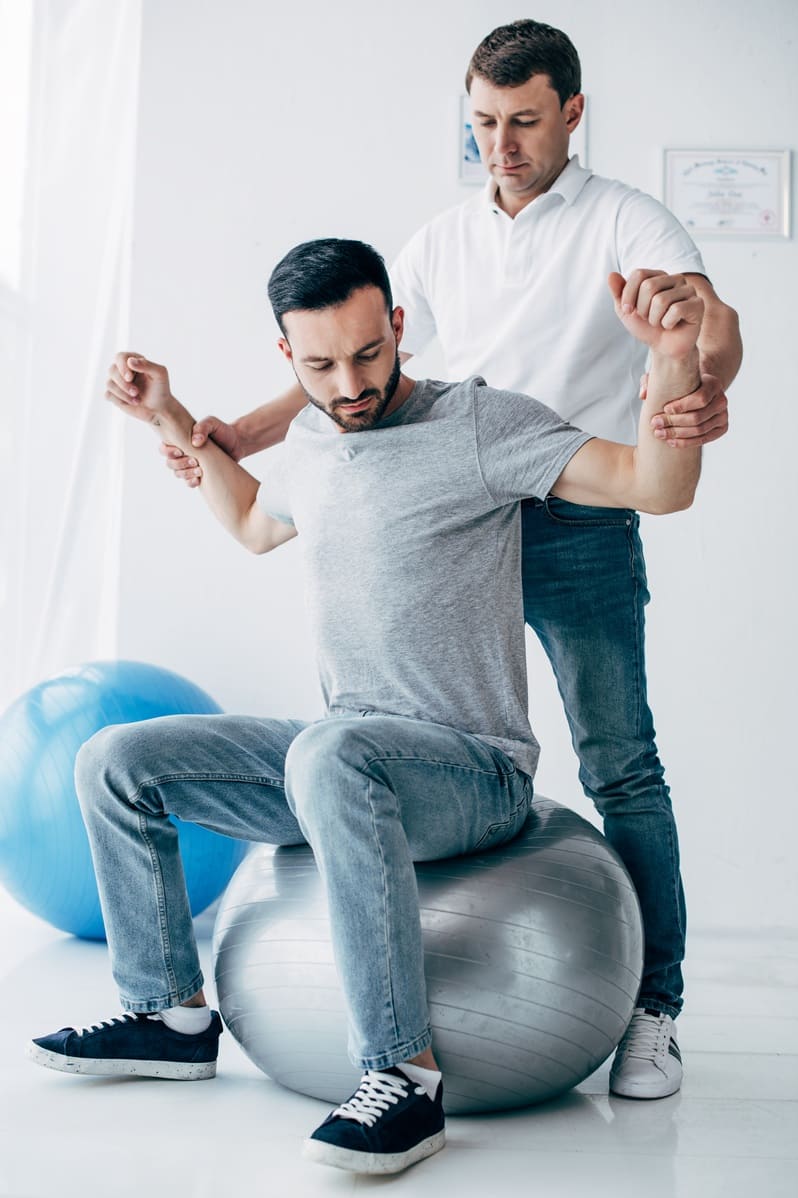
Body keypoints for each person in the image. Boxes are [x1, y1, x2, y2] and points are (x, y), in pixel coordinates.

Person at [28, 238, 702, 1175]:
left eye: (368, 354)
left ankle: (404, 1081)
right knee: (115, 759)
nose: (349, 383)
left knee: (329, 755)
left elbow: (656, 486)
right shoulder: (311, 437)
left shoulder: (478, 425)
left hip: (470, 770)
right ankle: (170, 1015)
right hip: (343, 758)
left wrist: (669, 357)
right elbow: (256, 524)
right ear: (286, 358)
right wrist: (168, 418)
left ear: (397, 328)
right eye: (319, 365)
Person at [162, 19, 742, 1100]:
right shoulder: (436, 241)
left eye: (523, 122)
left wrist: (693, 356)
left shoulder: (630, 220)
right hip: (439, 506)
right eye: (481, 124)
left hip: (569, 508)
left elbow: (705, 336)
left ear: (571, 113)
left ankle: (653, 1006)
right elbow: (354, 353)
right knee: (387, 739)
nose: (501, 144)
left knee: (620, 763)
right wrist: (241, 433)